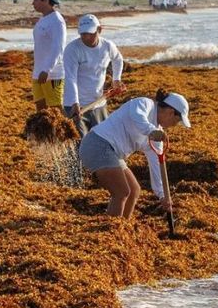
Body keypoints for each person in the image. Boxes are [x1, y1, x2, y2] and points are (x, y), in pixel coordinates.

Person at [77, 89, 191, 218]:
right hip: (97, 144)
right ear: (171, 113)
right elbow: (138, 117)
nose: (175, 125)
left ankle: (123, 227)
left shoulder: (156, 135)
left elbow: (157, 165)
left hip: (114, 153)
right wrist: (151, 131)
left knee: (134, 191)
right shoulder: (145, 104)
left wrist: (162, 196)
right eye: (177, 121)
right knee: (121, 192)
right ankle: (111, 229)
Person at [62, 14, 125, 135]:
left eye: (90, 33)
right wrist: (75, 102)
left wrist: (116, 79)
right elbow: (71, 78)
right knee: (80, 142)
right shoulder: (72, 49)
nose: (86, 37)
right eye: (83, 34)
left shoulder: (107, 46)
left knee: (104, 137)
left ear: (99, 30)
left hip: (98, 103)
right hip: (75, 106)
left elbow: (117, 59)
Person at [30, 0, 66, 111]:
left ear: (45, 0)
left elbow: (58, 47)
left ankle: (64, 130)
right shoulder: (43, 19)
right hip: (38, 72)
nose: (33, 3)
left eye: (35, 0)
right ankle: (44, 132)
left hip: (53, 74)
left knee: (56, 109)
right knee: (41, 109)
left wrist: (47, 69)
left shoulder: (57, 21)